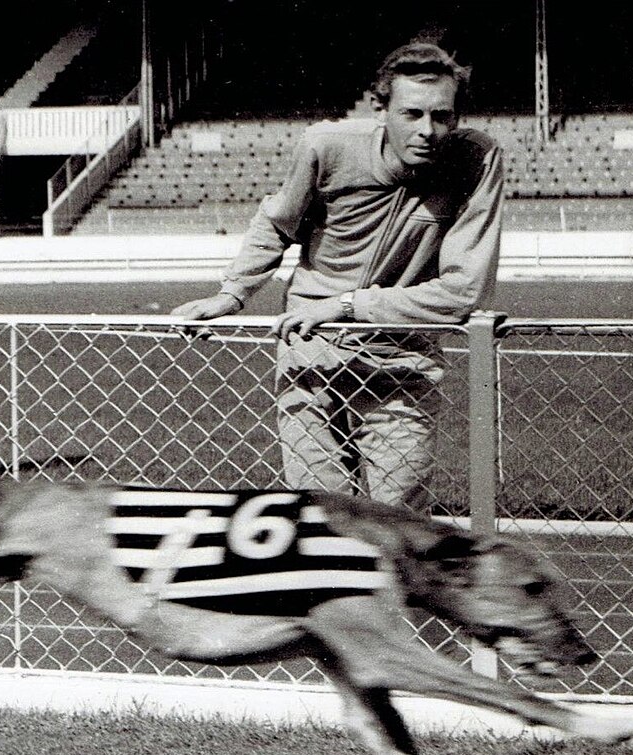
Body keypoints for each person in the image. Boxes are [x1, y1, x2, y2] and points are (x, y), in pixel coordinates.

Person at [172, 41, 504, 511]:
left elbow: (464, 290)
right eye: (411, 114)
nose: (428, 131)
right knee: (321, 517)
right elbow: (276, 223)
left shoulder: (476, 160)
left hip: (399, 362)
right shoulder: (328, 146)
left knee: (398, 522)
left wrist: (350, 305)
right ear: (379, 107)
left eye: (442, 116)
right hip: (311, 355)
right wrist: (233, 293)